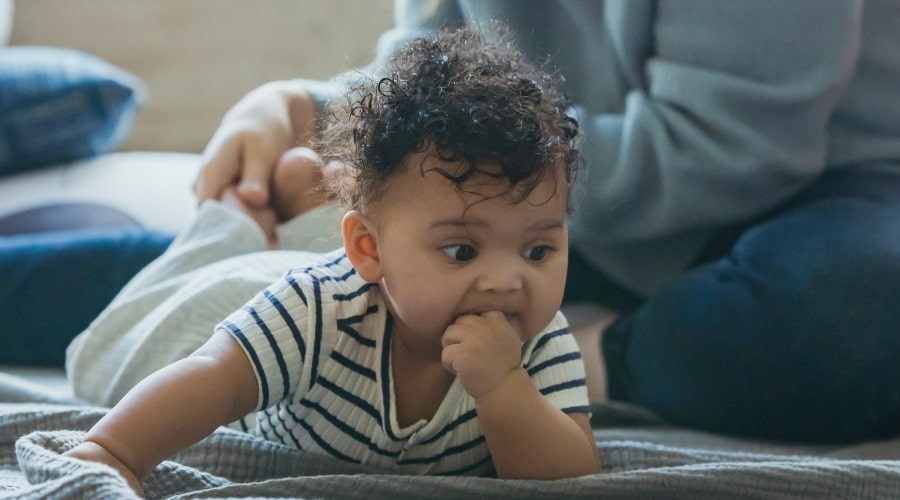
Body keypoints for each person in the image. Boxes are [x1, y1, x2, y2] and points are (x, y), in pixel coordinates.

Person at [181, 0, 900, 444]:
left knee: (850, 309)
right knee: (240, 252)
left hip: (820, 192)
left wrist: (487, 204)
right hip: (541, 196)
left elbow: (733, 145)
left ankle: (592, 352)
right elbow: (430, 69)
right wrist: (302, 109)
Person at [64, 27, 600, 492]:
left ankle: (304, 207)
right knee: (118, 345)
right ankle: (237, 221)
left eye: (538, 250)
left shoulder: (537, 343)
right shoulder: (319, 308)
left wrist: (505, 388)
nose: (509, 281)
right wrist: (111, 452)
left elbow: (574, 478)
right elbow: (214, 377)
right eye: (462, 251)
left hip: (355, 270)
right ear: (368, 248)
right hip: (224, 301)